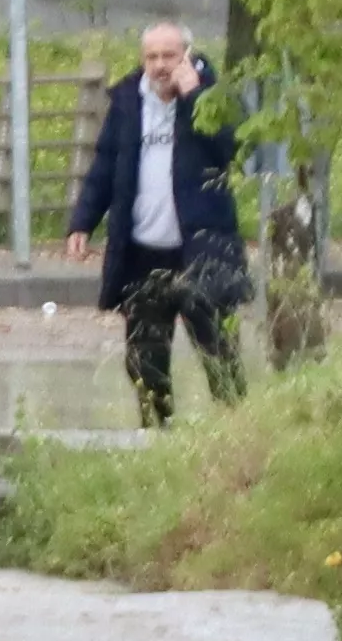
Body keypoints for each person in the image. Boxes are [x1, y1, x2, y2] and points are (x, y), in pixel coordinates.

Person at [61, 21, 250, 425]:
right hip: (143, 252)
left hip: (200, 248)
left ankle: (240, 435)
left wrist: (193, 95)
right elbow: (105, 165)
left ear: (187, 55)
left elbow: (233, 149)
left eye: (169, 55)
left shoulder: (212, 96)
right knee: (145, 360)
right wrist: (82, 222)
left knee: (218, 351)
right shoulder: (129, 101)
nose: (161, 65)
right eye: (152, 57)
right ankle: (156, 436)